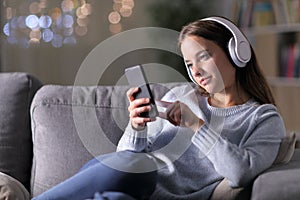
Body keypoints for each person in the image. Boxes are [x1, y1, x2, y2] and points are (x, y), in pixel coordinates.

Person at [32, 16, 285, 200]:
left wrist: (196, 125)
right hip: (130, 177)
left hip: (153, 191)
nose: (195, 71)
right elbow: (124, 158)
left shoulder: (263, 119)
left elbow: (240, 173)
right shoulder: (183, 95)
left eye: (203, 56)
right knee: (132, 171)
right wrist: (137, 127)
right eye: (189, 63)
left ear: (236, 52)